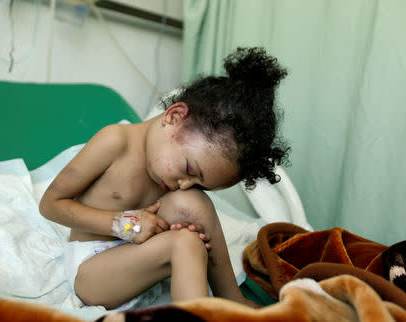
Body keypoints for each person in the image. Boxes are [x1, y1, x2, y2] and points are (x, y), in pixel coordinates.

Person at [39, 47, 290, 310]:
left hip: (138, 256)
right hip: (91, 269)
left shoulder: (173, 173)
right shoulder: (114, 142)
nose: (184, 185)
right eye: (191, 171)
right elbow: (50, 204)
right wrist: (126, 226)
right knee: (184, 243)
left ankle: (231, 299)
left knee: (195, 211)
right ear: (173, 117)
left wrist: (171, 229)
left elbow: (185, 207)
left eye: (200, 184)